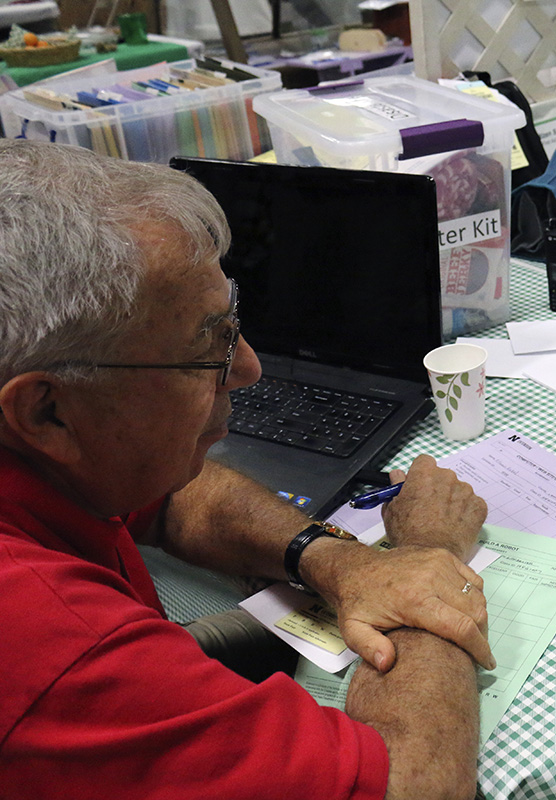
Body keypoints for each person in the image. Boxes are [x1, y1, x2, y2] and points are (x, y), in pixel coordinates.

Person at [0, 139, 495, 800]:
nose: (248, 369)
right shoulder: (58, 646)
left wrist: (335, 561)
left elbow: (168, 492)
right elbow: (414, 786)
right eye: (208, 347)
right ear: (46, 409)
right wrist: (428, 562)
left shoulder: (64, 451)